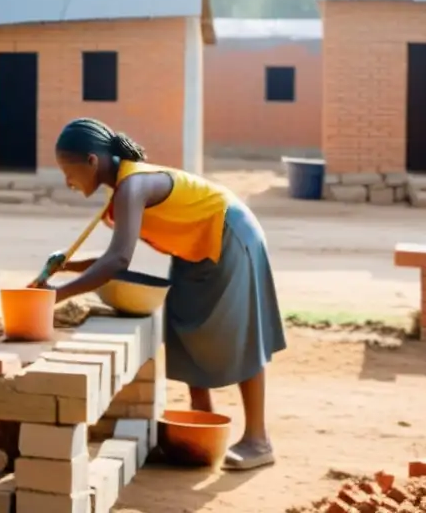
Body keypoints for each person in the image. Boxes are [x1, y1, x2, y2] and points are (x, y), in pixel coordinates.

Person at [39, 118, 286, 471]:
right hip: (193, 250)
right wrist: (68, 264)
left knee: (241, 332)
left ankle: (258, 440)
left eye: (69, 171)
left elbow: (118, 259)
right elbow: (117, 254)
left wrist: (54, 296)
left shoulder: (132, 186)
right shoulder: (122, 190)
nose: (68, 182)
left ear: (92, 161)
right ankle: (203, 427)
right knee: (185, 329)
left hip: (229, 234)